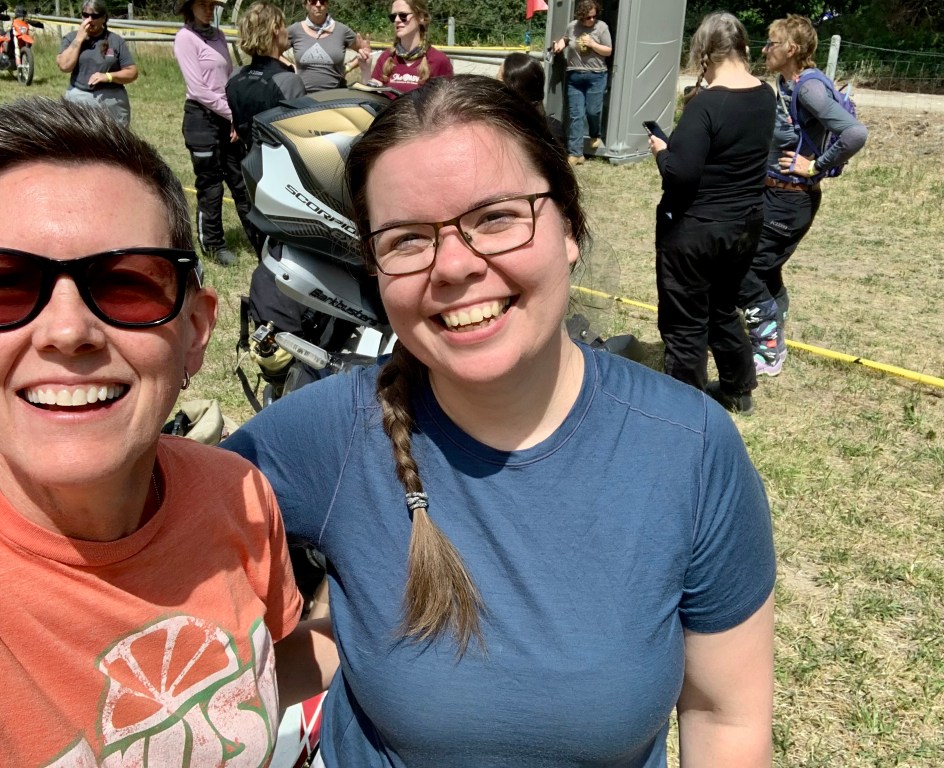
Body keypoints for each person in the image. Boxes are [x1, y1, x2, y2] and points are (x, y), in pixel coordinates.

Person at [224, 75, 776, 767]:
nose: (454, 266)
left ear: (569, 227)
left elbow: (726, 718)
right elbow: (136, 530)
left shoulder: (688, 449)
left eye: (495, 218)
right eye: (406, 239)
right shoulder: (330, 433)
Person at [0, 97, 336, 765]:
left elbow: (254, 680)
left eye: (125, 285)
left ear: (195, 331)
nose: (67, 331)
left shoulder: (235, 495)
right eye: (2, 287)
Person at [648, 12, 775, 414]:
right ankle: (738, 388)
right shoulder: (765, 95)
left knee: (685, 320)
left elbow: (680, 175)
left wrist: (662, 151)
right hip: (744, 225)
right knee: (722, 307)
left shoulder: (706, 105)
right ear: (743, 47)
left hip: (696, 229)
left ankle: (685, 409)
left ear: (702, 51)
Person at [738, 14, 867, 377]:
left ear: (792, 49)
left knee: (747, 269)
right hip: (775, 194)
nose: (764, 49)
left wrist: (814, 166)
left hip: (791, 199)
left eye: (772, 43)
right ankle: (773, 334)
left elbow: (855, 134)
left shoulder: (808, 89)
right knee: (766, 268)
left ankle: (768, 351)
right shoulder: (786, 82)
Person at [174, 0, 260, 266]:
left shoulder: (219, 35)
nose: (209, 8)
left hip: (226, 116)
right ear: (190, 7)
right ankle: (213, 244)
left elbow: (228, 77)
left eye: (212, 4)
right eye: (203, 4)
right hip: (202, 119)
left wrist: (235, 114)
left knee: (240, 181)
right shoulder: (185, 38)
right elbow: (198, 90)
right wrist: (231, 114)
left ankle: (258, 238)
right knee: (211, 185)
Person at [227, 1, 307, 146]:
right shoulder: (288, 81)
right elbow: (301, 135)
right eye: (284, 26)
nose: (287, 31)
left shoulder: (235, 77)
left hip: (249, 156)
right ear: (275, 29)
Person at [56, 0, 138, 126]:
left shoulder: (116, 41)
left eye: (94, 16)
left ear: (103, 18)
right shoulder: (71, 38)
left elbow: (132, 72)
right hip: (79, 97)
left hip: (111, 100)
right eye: (85, 15)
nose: (89, 20)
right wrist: (79, 39)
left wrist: (108, 76)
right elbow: (64, 66)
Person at [551, 0, 612, 167]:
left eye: (594, 16)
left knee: (593, 111)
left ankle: (595, 134)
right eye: (588, 17)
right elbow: (565, 39)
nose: (591, 20)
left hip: (596, 75)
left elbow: (608, 50)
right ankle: (575, 153)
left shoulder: (602, 27)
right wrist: (559, 46)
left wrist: (593, 44)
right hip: (574, 76)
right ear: (581, 16)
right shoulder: (572, 26)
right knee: (575, 115)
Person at [367, 0, 452, 96]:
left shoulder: (438, 60)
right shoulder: (386, 57)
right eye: (393, 17)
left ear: (420, 18)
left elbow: (447, 101)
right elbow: (371, 98)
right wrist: (365, 68)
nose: (397, 20)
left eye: (403, 15)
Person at [286, 0, 370, 93]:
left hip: (334, 96)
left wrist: (349, 67)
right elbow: (274, 51)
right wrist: (290, 66)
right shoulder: (294, 30)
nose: (318, 5)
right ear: (305, 5)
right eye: (313, 1)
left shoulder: (342, 31)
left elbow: (363, 51)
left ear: (327, 4)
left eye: (322, 1)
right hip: (302, 95)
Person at [497, 51, 563, 145]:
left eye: (499, 79)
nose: (494, 84)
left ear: (514, 88)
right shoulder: (554, 129)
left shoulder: (502, 131)